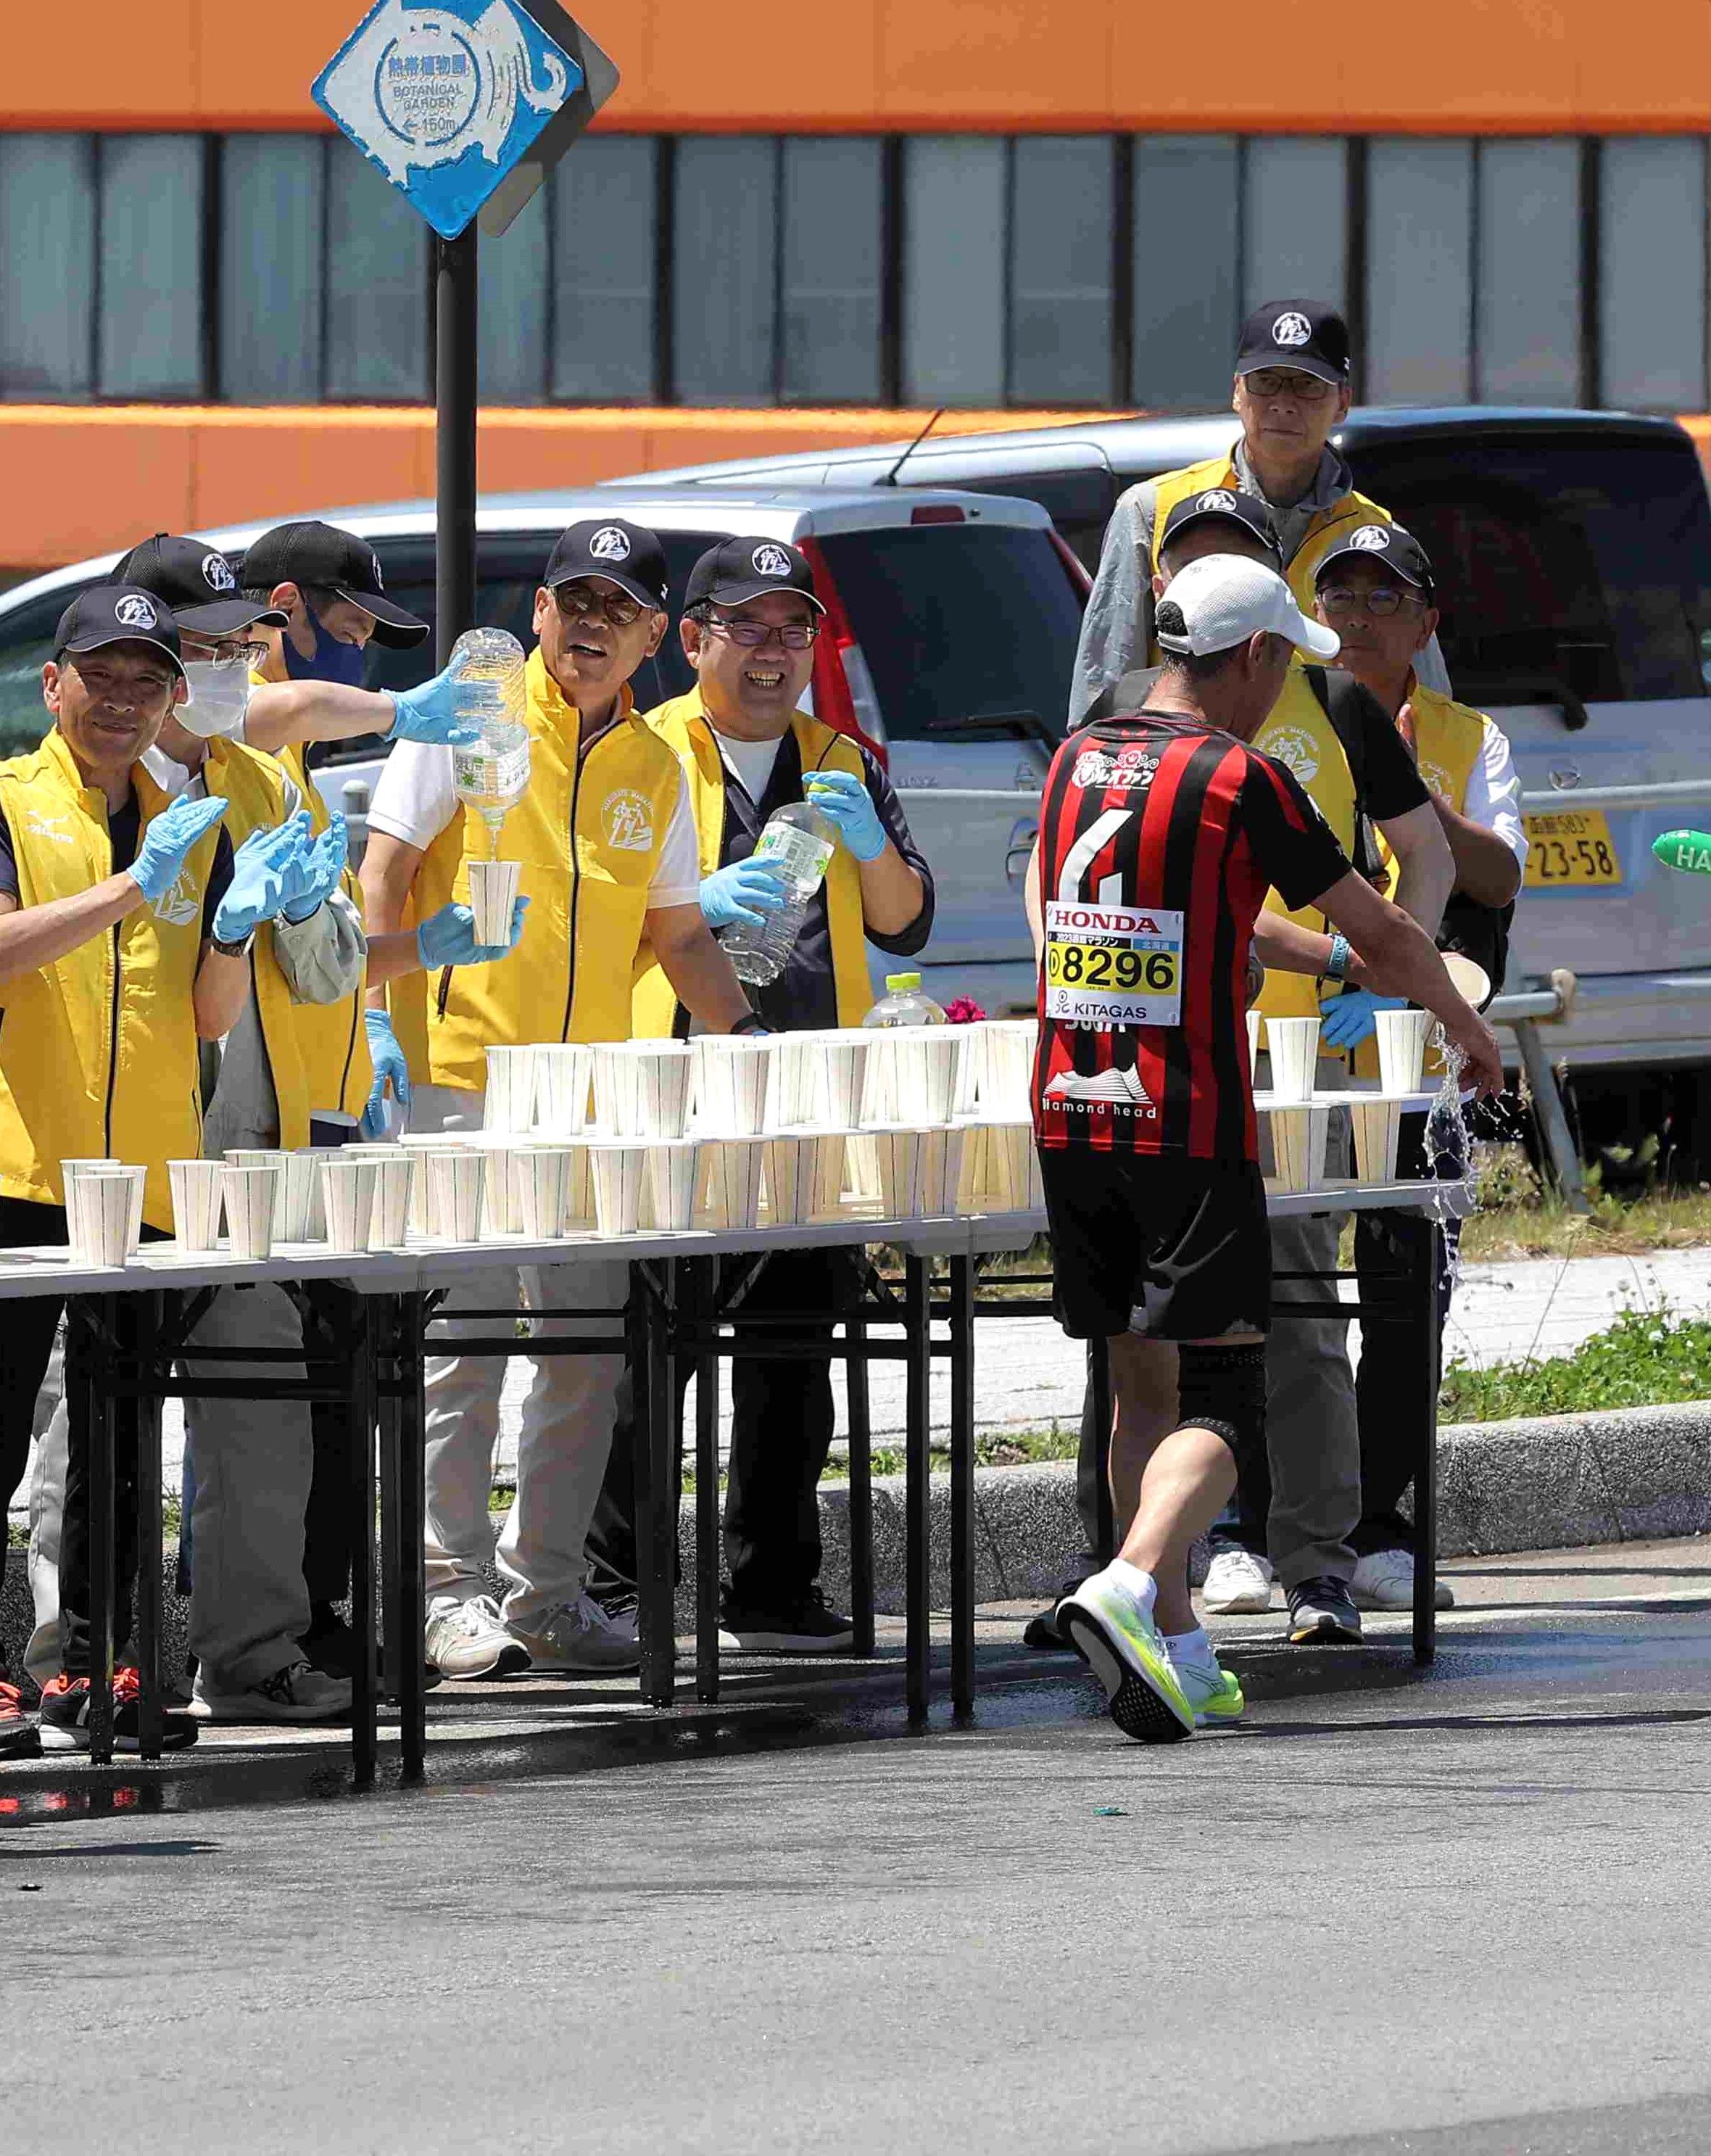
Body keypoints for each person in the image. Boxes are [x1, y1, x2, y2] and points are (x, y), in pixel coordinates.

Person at [1037, 555, 1504, 1741]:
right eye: (1282, 661)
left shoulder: (1079, 759)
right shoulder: (1239, 777)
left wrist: (1328, 967)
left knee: (1140, 1374)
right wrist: (1462, 1021)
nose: (1287, 682)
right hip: (1188, 1114)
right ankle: (1133, 1576)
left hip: (1070, 1109)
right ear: (1245, 659)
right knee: (1231, 1402)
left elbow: (1203, 916)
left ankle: (1177, 1643)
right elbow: (1387, 922)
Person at [102, 534, 518, 1723]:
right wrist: (401, 706)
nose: (243, 667)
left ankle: (258, 1646)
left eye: (248, 644)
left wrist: (420, 960)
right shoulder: (124, 771)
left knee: (269, 1416)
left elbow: (319, 947)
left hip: (294, 1130)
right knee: (91, 1422)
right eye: (217, 647)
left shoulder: (262, 775)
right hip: (159, 1136)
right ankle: (82, 1663)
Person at [358, 519, 761, 1678]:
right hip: (458, 1080)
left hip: (586, 1098)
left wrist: (744, 1042)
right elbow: (384, 863)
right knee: (463, 1345)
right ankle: (446, 1592)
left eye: (615, 607)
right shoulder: (472, 708)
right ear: (538, 612)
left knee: (586, 1351)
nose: (588, 623)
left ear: (652, 637)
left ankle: (546, 1597)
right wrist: (380, 1015)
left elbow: (678, 933)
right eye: (570, 600)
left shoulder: (654, 764)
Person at [0, 585, 312, 1756]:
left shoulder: (187, 814)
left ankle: (99, 1656)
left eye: (149, 683)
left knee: (120, 1431)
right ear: (54, 685)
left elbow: (205, 1011)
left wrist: (237, 924)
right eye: (103, 678)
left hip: (141, 1174)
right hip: (15, 1164)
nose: (124, 702)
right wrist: (138, 884)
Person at [584, 538, 935, 1651]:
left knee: (796, 1344)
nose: (775, 653)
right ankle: (616, 1582)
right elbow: (584, 927)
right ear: (690, 640)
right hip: (673, 1084)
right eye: (748, 627)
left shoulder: (841, 755)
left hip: (803, 1083)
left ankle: (771, 1582)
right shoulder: (641, 754)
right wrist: (696, 904)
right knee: (653, 1348)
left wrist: (870, 843)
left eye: (796, 629)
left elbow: (904, 919)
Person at [1309, 523, 1524, 1610]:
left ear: (1426, 621)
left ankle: (1381, 1517)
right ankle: (1271, 1519)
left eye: (1383, 600)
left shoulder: (1468, 735)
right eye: (1337, 596)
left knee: (1407, 1284)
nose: (1355, 620)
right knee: (1289, 1284)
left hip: (1424, 1048)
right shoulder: (1281, 710)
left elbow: (1492, 874)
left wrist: (1410, 793)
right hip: (1304, 1034)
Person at [1071, 302, 1404, 725]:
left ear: (1342, 402)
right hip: (1188, 777)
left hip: (1325, 786)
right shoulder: (1152, 509)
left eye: (1308, 385)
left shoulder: (1375, 532)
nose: (1284, 404)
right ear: (1236, 391)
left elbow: (1421, 699)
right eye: (1266, 382)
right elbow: (1104, 687)